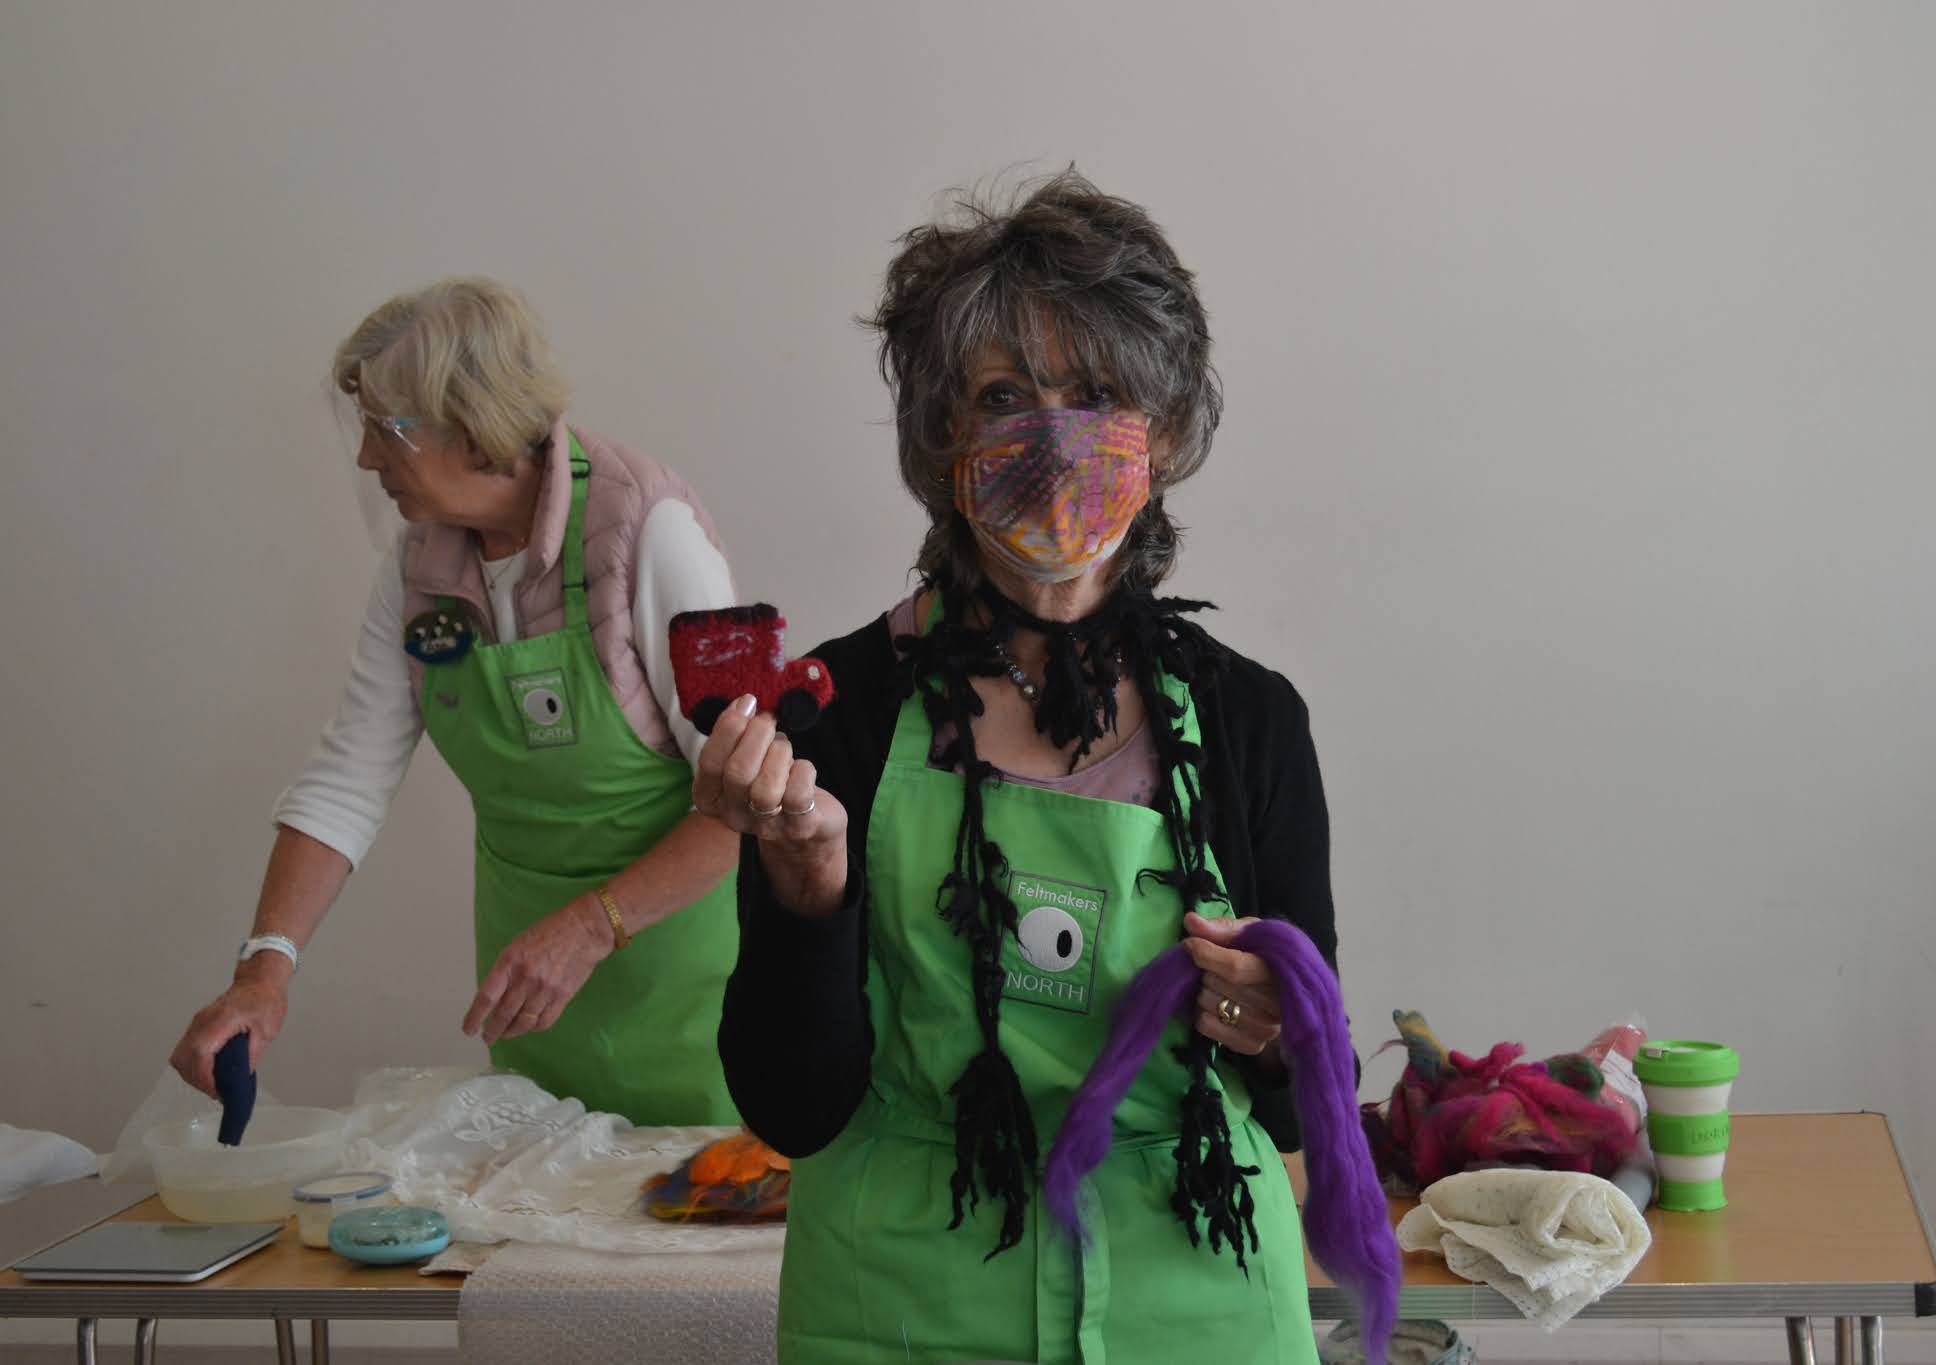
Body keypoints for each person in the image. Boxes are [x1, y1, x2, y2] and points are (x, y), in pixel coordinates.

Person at [708, 174, 1342, 1362]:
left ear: (1162, 434)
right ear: (944, 440)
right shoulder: (839, 711)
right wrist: (807, 886)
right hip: (900, 1303)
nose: (1052, 438)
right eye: (1003, 397)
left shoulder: (1247, 719)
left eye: (1095, 394)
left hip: (1192, 1293)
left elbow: (1312, 1099)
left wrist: (1273, 1028)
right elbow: (790, 1107)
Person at [170, 277, 743, 1125]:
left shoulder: (649, 533)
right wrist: (264, 970)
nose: (367, 459)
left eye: (386, 429)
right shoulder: (418, 568)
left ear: (474, 431)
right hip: (536, 1012)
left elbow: (749, 805)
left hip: (701, 1006)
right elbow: (348, 777)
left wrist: (592, 926)